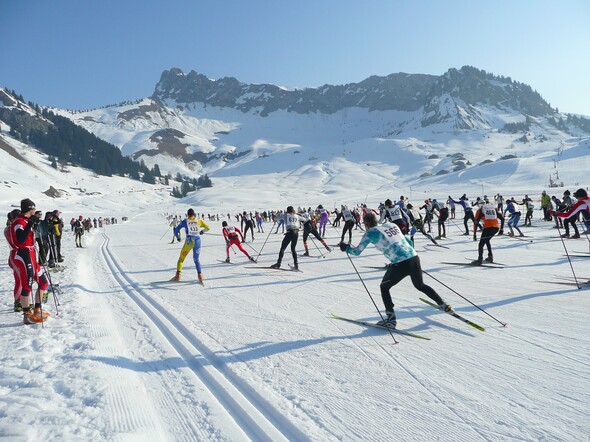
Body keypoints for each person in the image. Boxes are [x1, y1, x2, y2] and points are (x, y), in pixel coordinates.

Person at [339, 212, 452, 328]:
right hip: (414, 257)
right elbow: (409, 242)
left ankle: (391, 319)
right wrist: (408, 257)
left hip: (400, 263)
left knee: (384, 287)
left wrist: (346, 248)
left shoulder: (370, 233)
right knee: (420, 285)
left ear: (366, 224)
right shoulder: (391, 225)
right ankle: (443, 304)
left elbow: (357, 251)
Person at [8, 199, 50, 324]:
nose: (35, 211)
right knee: (27, 284)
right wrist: (30, 224)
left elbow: (31, 235)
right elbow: (21, 239)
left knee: (43, 282)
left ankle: (37, 310)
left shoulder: (26, 221)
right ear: (29, 209)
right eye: (34, 209)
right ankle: (27, 315)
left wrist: (33, 224)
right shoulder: (19, 222)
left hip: (32, 253)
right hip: (23, 254)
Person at [170, 208, 210, 284]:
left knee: (181, 259)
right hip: (198, 240)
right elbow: (208, 228)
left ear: (187, 215)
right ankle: (200, 275)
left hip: (189, 241)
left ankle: (178, 275)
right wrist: (202, 231)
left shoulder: (185, 221)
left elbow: (176, 230)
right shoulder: (199, 221)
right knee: (196, 259)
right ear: (194, 214)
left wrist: (178, 238)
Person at [472, 200, 504, 265]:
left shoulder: (480, 210)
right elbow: (502, 218)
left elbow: (476, 222)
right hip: (496, 228)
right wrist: (501, 230)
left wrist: (474, 234)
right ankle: (490, 257)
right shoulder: (493, 208)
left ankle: (479, 260)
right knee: (487, 241)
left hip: (488, 228)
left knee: (481, 244)